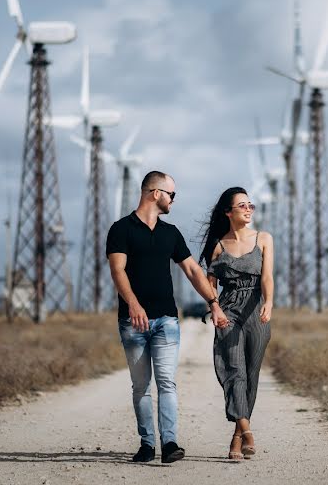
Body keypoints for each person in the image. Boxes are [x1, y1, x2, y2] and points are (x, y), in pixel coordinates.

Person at [107, 170, 230, 464]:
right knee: (141, 386)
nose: (174, 199)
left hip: (166, 321)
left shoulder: (170, 233)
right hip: (132, 322)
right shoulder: (121, 229)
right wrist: (134, 305)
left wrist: (213, 302)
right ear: (155, 193)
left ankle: (170, 443)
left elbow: (192, 270)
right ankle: (147, 444)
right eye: (171, 194)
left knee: (167, 383)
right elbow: (117, 270)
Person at [199, 186, 274, 461]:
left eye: (250, 205)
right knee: (233, 371)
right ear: (228, 212)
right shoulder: (218, 246)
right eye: (242, 205)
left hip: (257, 309)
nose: (248, 209)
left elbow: (267, 277)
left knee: (251, 376)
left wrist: (269, 302)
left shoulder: (264, 239)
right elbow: (210, 283)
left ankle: (236, 438)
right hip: (229, 310)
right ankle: (249, 432)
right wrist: (214, 306)